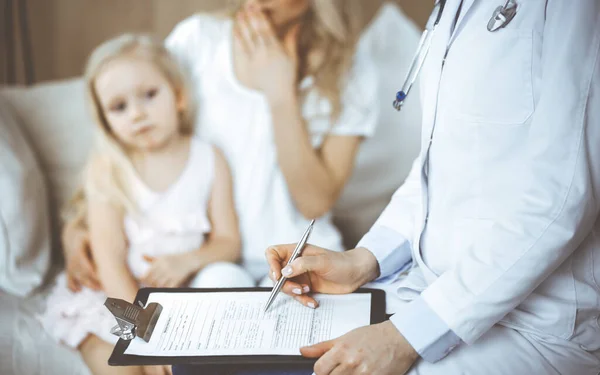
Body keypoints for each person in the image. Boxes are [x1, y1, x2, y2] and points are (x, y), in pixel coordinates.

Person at [180, 0, 600, 374]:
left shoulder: (574, 11)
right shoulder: (451, 10)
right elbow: (436, 167)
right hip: (429, 287)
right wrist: (363, 260)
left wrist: (406, 336)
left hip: (534, 321)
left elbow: (561, 199)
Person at [61, 0, 378, 293]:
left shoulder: (351, 70)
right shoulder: (198, 39)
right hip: (210, 262)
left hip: (296, 259)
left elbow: (314, 203)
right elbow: (131, 143)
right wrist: (77, 226)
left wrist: (281, 94)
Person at [39, 33, 242, 375]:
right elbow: (110, 260)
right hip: (116, 298)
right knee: (124, 370)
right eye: (119, 107)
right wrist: (145, 332)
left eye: (149, 95)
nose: (137, 114)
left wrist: (188, 260)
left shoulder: (209, 159)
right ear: (106, 121)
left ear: (178, 95)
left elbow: (229, 242)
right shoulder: (109, 168)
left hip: (176, 299)